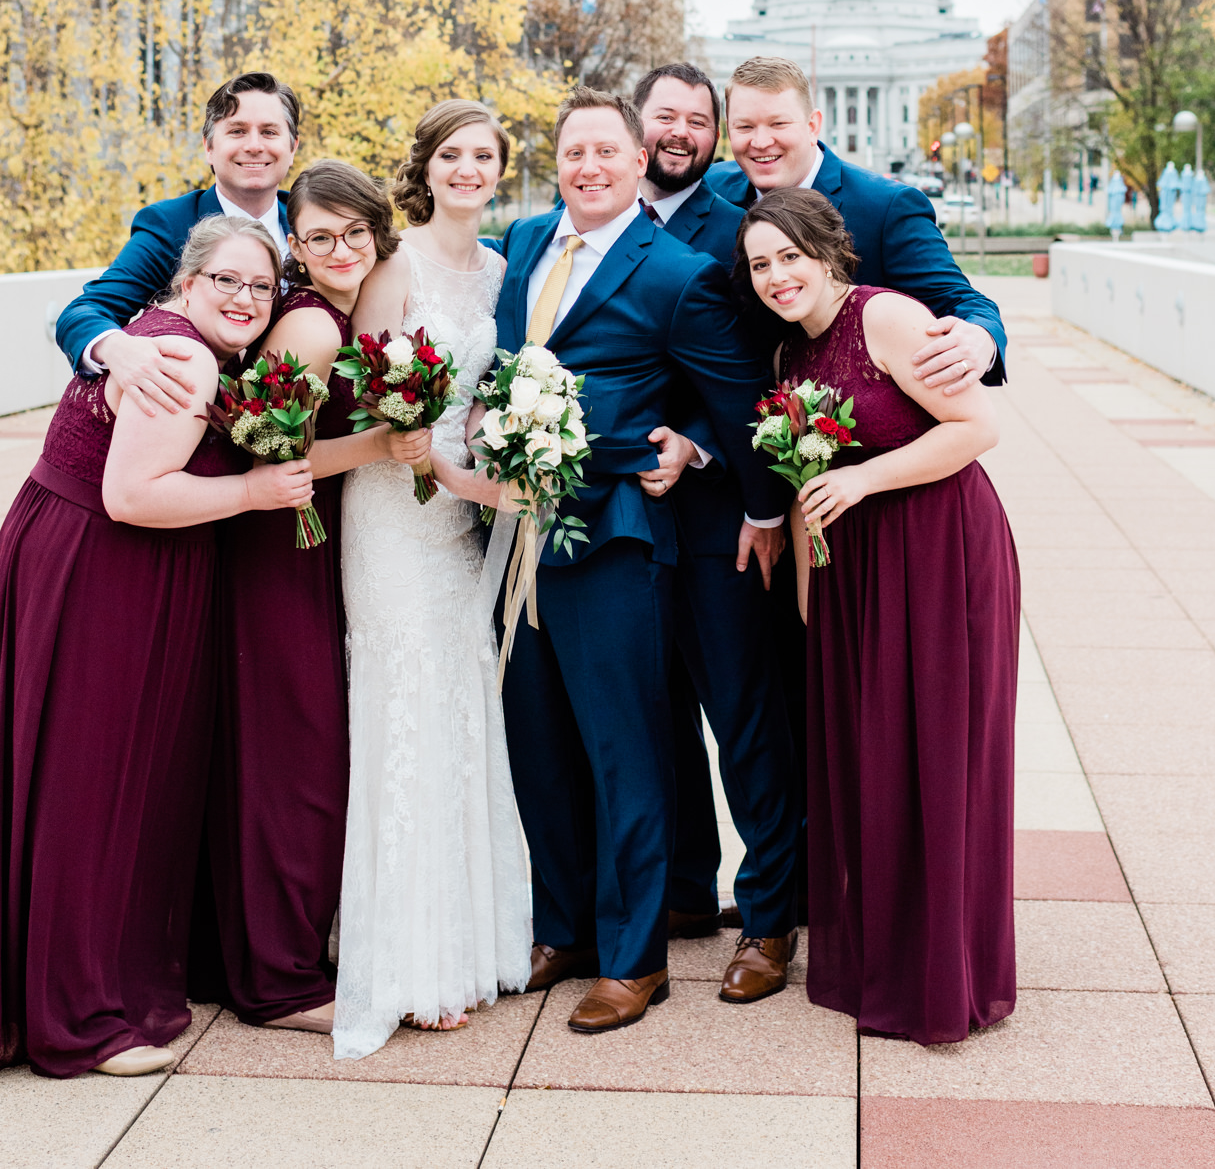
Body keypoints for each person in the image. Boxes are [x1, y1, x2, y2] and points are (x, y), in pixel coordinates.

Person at [0, 218, 312, 1078]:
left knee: (74, 775)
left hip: (76, 552)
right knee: (92, 783)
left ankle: (64, 985)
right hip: (106, 565)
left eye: (260, 289)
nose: (245, 301)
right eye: (226, 281)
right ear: (185, 285)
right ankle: (79, 1015)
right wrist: (258, 489)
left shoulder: (168, 342)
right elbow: (134, 497)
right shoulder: (183, 362)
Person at [495, 86, 779, 1036]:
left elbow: (733, 394)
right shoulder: (529, 245)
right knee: (538, 740)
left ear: (633, 158)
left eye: (606, 152)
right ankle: (565, 925)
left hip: (615, 534)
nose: (589, 167)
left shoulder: (679, 272)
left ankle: (633, 958)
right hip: (516, 535)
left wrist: (737, 483)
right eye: (573, 152)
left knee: (625, 750)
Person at [737, 188, 1018, 1045]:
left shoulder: (889, 317)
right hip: (855, 574)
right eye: (760, 264)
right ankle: (887, 955)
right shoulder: (791, 355)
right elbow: (798, 483)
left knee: (940, 758)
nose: (777, 276)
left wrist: (863, 479)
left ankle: (946, 975)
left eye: (790, 256)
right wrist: (811, 600)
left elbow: (979, 425)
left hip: (940, 555)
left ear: (829, 254)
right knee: (874, 761)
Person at [196, 160, 432, 1036]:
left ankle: (261, 947)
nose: (339, 250)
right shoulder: (309, 328)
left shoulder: (341, 315)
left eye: (354, 234)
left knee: (291, 751)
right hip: (277, 551)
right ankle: (278, 979)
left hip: (316, 544)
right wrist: (380, 444)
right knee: (295, 760)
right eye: (319, 236)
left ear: (375, 235)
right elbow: (271, 460)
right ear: (295, 245)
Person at [333, 100, 530, 1057]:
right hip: (391, 512)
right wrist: (421, 458)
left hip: (464, 510)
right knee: (405, 704)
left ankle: (470, 940)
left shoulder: (502, 269)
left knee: (462, 700)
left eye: (483, 155)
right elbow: (362, 402)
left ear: (499, 168)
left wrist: (494, 464)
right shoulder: (392, 268)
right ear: (427, 165)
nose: (467, 168)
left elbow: (494, 399)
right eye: (451, 154)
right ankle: (406, 965)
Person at [632, 63, 800, 1003]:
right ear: (637, 123)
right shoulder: (584, 218)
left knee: (743, 719)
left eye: (701, 120)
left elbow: (750, 372)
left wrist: (723, 466)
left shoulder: (744, 219)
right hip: (619, 522)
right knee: (654, 720)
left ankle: (769, 916)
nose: (683, 132)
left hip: (719, 519)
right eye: (668, 116)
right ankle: (688, 893)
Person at [703, 56, 1007, 394]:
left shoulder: (886, 206)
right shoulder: (713, 189)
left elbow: (959, 299)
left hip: (859, 429)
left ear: (812, 125)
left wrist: (981, 338)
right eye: (745, 127)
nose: (760, 142)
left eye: (778, 124)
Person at [56, 71, 301, 418]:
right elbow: (84, 312)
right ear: (209, 147)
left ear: (292, 147)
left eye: (270, 132)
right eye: (237, 131)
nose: (254, 145)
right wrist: (117, 349)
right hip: (193, 426)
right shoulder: (170, 225)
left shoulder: (312, 223)